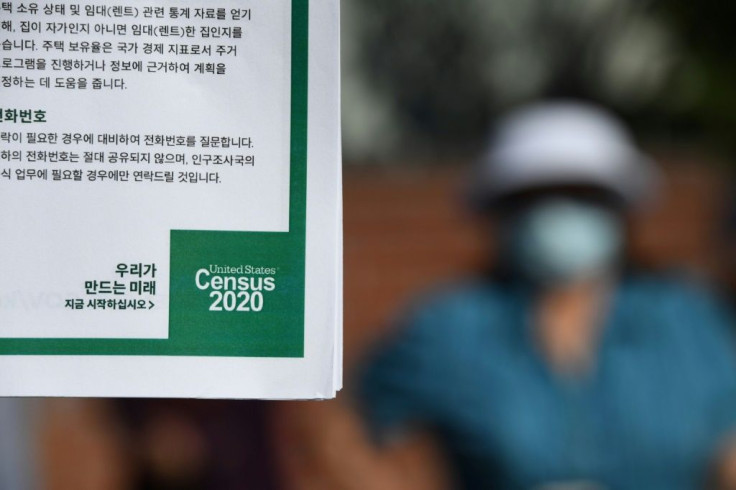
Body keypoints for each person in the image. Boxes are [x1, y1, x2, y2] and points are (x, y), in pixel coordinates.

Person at [358, 101, 736, 489]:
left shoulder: (687, 319)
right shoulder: (449, 326)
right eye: (536, 196)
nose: (559, 210)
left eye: (581, 194)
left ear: (620, 208)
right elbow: (344, 421)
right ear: (501, 209)